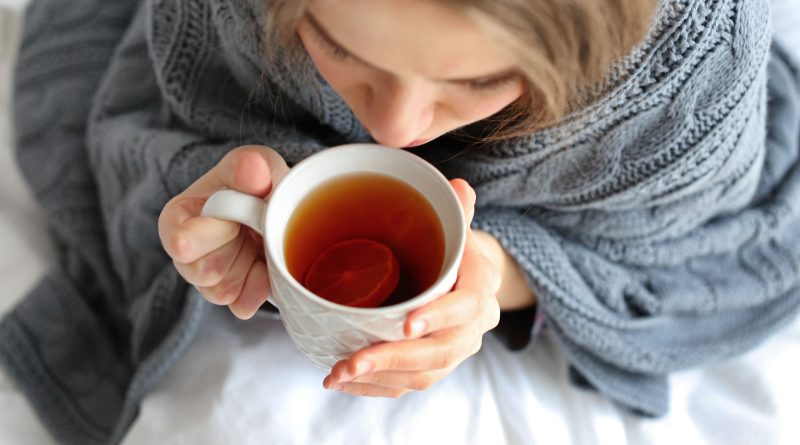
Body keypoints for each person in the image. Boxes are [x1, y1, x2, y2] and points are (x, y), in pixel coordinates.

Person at [2, 0, 799, 443]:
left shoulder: (686, 76)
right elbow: (165, 105)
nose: (397, 128)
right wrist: (200, 191)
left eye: (479, 78)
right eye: (340, 46)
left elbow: (699, 249)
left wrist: (507, 276)